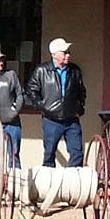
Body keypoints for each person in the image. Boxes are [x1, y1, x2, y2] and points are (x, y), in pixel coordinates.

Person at [26, 37, 87, 168]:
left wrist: (80, 107)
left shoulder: (74, 70)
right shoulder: (42, 70)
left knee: (77, 153)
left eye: (68, 52)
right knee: (49, 154)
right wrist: (41, 106)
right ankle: (49, 185)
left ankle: (73, 183)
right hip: (51, 119)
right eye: (64, 52)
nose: (68, 55)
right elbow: (31, 90)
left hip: (71, 119)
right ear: (54, 55)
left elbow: (81, 90)